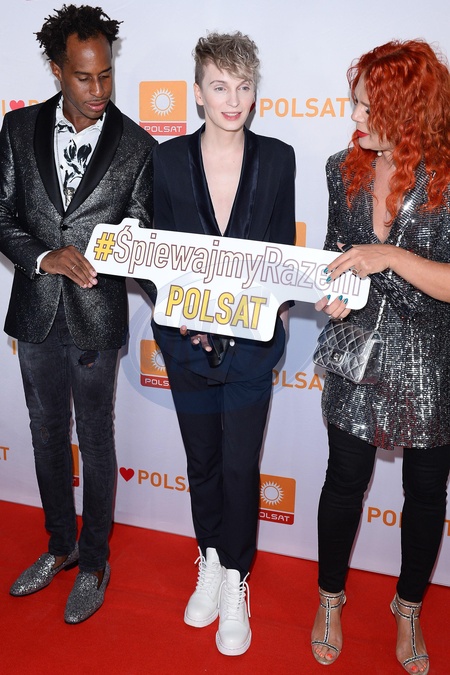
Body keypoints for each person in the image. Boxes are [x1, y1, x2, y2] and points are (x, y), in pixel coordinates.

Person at [1, 4, 156, 623]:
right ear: (57, 70)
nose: (99, 89)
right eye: (84, 77)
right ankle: (58, 546)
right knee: (45, 434)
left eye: (106, 74)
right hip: (36, 310)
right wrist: (45, 257)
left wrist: (116, 247)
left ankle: (94, 562)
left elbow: (142, 231)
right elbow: (2, 217)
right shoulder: (17, 130)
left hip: (97, 315)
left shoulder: (138, 146)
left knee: (94, 438)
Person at [151, 32, 295, 655]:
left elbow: (283, 251)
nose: (233, 100)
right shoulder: (166, 160)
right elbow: (155, 254)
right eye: (219, 86)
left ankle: (236, 578)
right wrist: (175, 310)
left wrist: (276, 306)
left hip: (252, 348)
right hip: (186, 345)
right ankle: (209, 558)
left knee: (239, 466)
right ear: (198, 93)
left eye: (243, 86)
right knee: (203, 461)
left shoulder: (279, 158)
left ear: (255, 91)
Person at [311, 40, 450, 674]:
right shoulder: (342, 168)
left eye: (369, 107)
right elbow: (336, 256)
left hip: (432, 360)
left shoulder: (446, 176)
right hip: (356, 354)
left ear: (408, 110)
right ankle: (329, 598)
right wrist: (335, 292)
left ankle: (409, 606)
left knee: (425, 492)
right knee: (343, 482)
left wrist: (389, 256)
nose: (355, 116)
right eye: (355, 102)